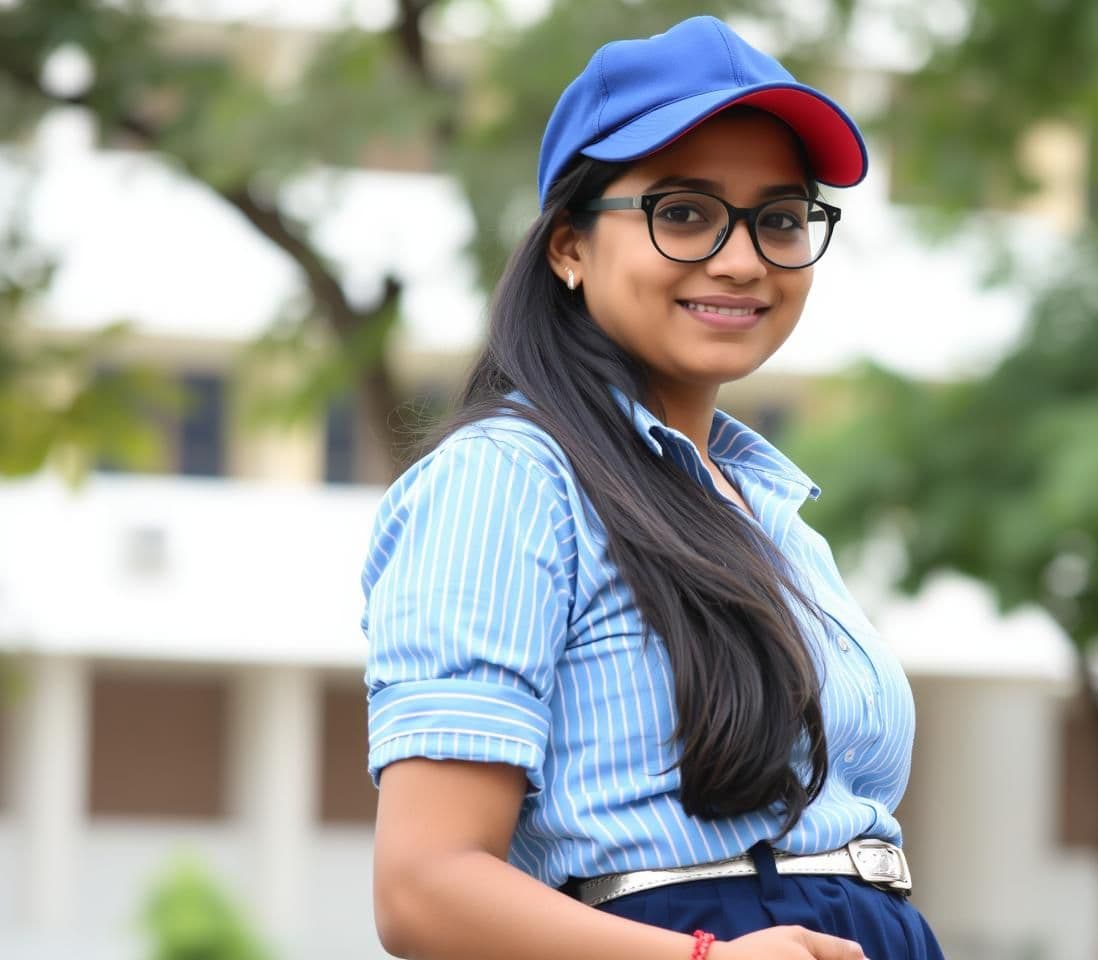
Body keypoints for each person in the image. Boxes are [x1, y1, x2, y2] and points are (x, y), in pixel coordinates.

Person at [360, 15, 945, 960]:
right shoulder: (507, 481)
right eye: (682, 212)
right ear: (568, 246)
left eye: (782, 218)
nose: (743, 259)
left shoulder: (772, 510)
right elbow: (424, 889)